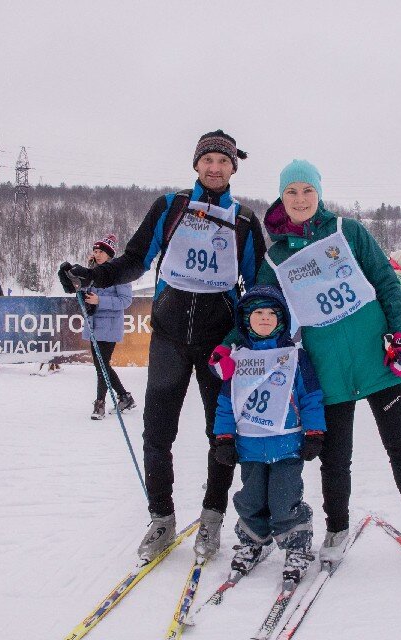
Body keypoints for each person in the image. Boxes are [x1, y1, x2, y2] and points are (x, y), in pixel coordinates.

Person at [215, 160, 401, 571]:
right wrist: (230, 346)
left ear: (318, 193)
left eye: (307, 190)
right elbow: (258, 308)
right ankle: (337, 527)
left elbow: (387, 283)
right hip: (327, 372)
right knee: (336, 459)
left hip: (378, 362)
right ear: (281, 198)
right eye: (291, 192)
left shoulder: (347, 231)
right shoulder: (277, 256)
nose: (300, 199)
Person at [62, 130, 266, 561]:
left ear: (234, 168)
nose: (214, 168)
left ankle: (211, 520)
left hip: (219, 344)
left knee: (222, 435)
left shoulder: (245, 221)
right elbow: (136, 258)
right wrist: (91, 275)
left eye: (223, 161)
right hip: (170, 338)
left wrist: (252, 337)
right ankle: (162, 519)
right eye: (207, 160)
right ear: (196, 165)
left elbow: (259, 288)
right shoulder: (171, 207)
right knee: (157, 433)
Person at [213, 285, 325, 584]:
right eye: (257, 314)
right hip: (249, 446)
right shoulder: (236, 361)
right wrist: (223, 438)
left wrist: (315, 432)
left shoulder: (295, 358)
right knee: (249, 499)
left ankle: (297, 544)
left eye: (271, 313)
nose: (264, 319)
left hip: (287, 443)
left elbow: (311, 396)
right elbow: (226, 403)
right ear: (245, 321)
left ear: (282, 319)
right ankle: (253, 540)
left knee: (283, 498)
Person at [80, 235, 136, 419]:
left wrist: (100, 300)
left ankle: (100, 403)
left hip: (110, 326)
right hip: (94, 324)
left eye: (100, 252)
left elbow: (125, 301)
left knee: (101, 366)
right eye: (95, 251)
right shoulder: (93, 273)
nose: (97, 255)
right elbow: (83, 294)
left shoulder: (119, 274)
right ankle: (124, 396)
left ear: (109, 255)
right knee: (101, 365)